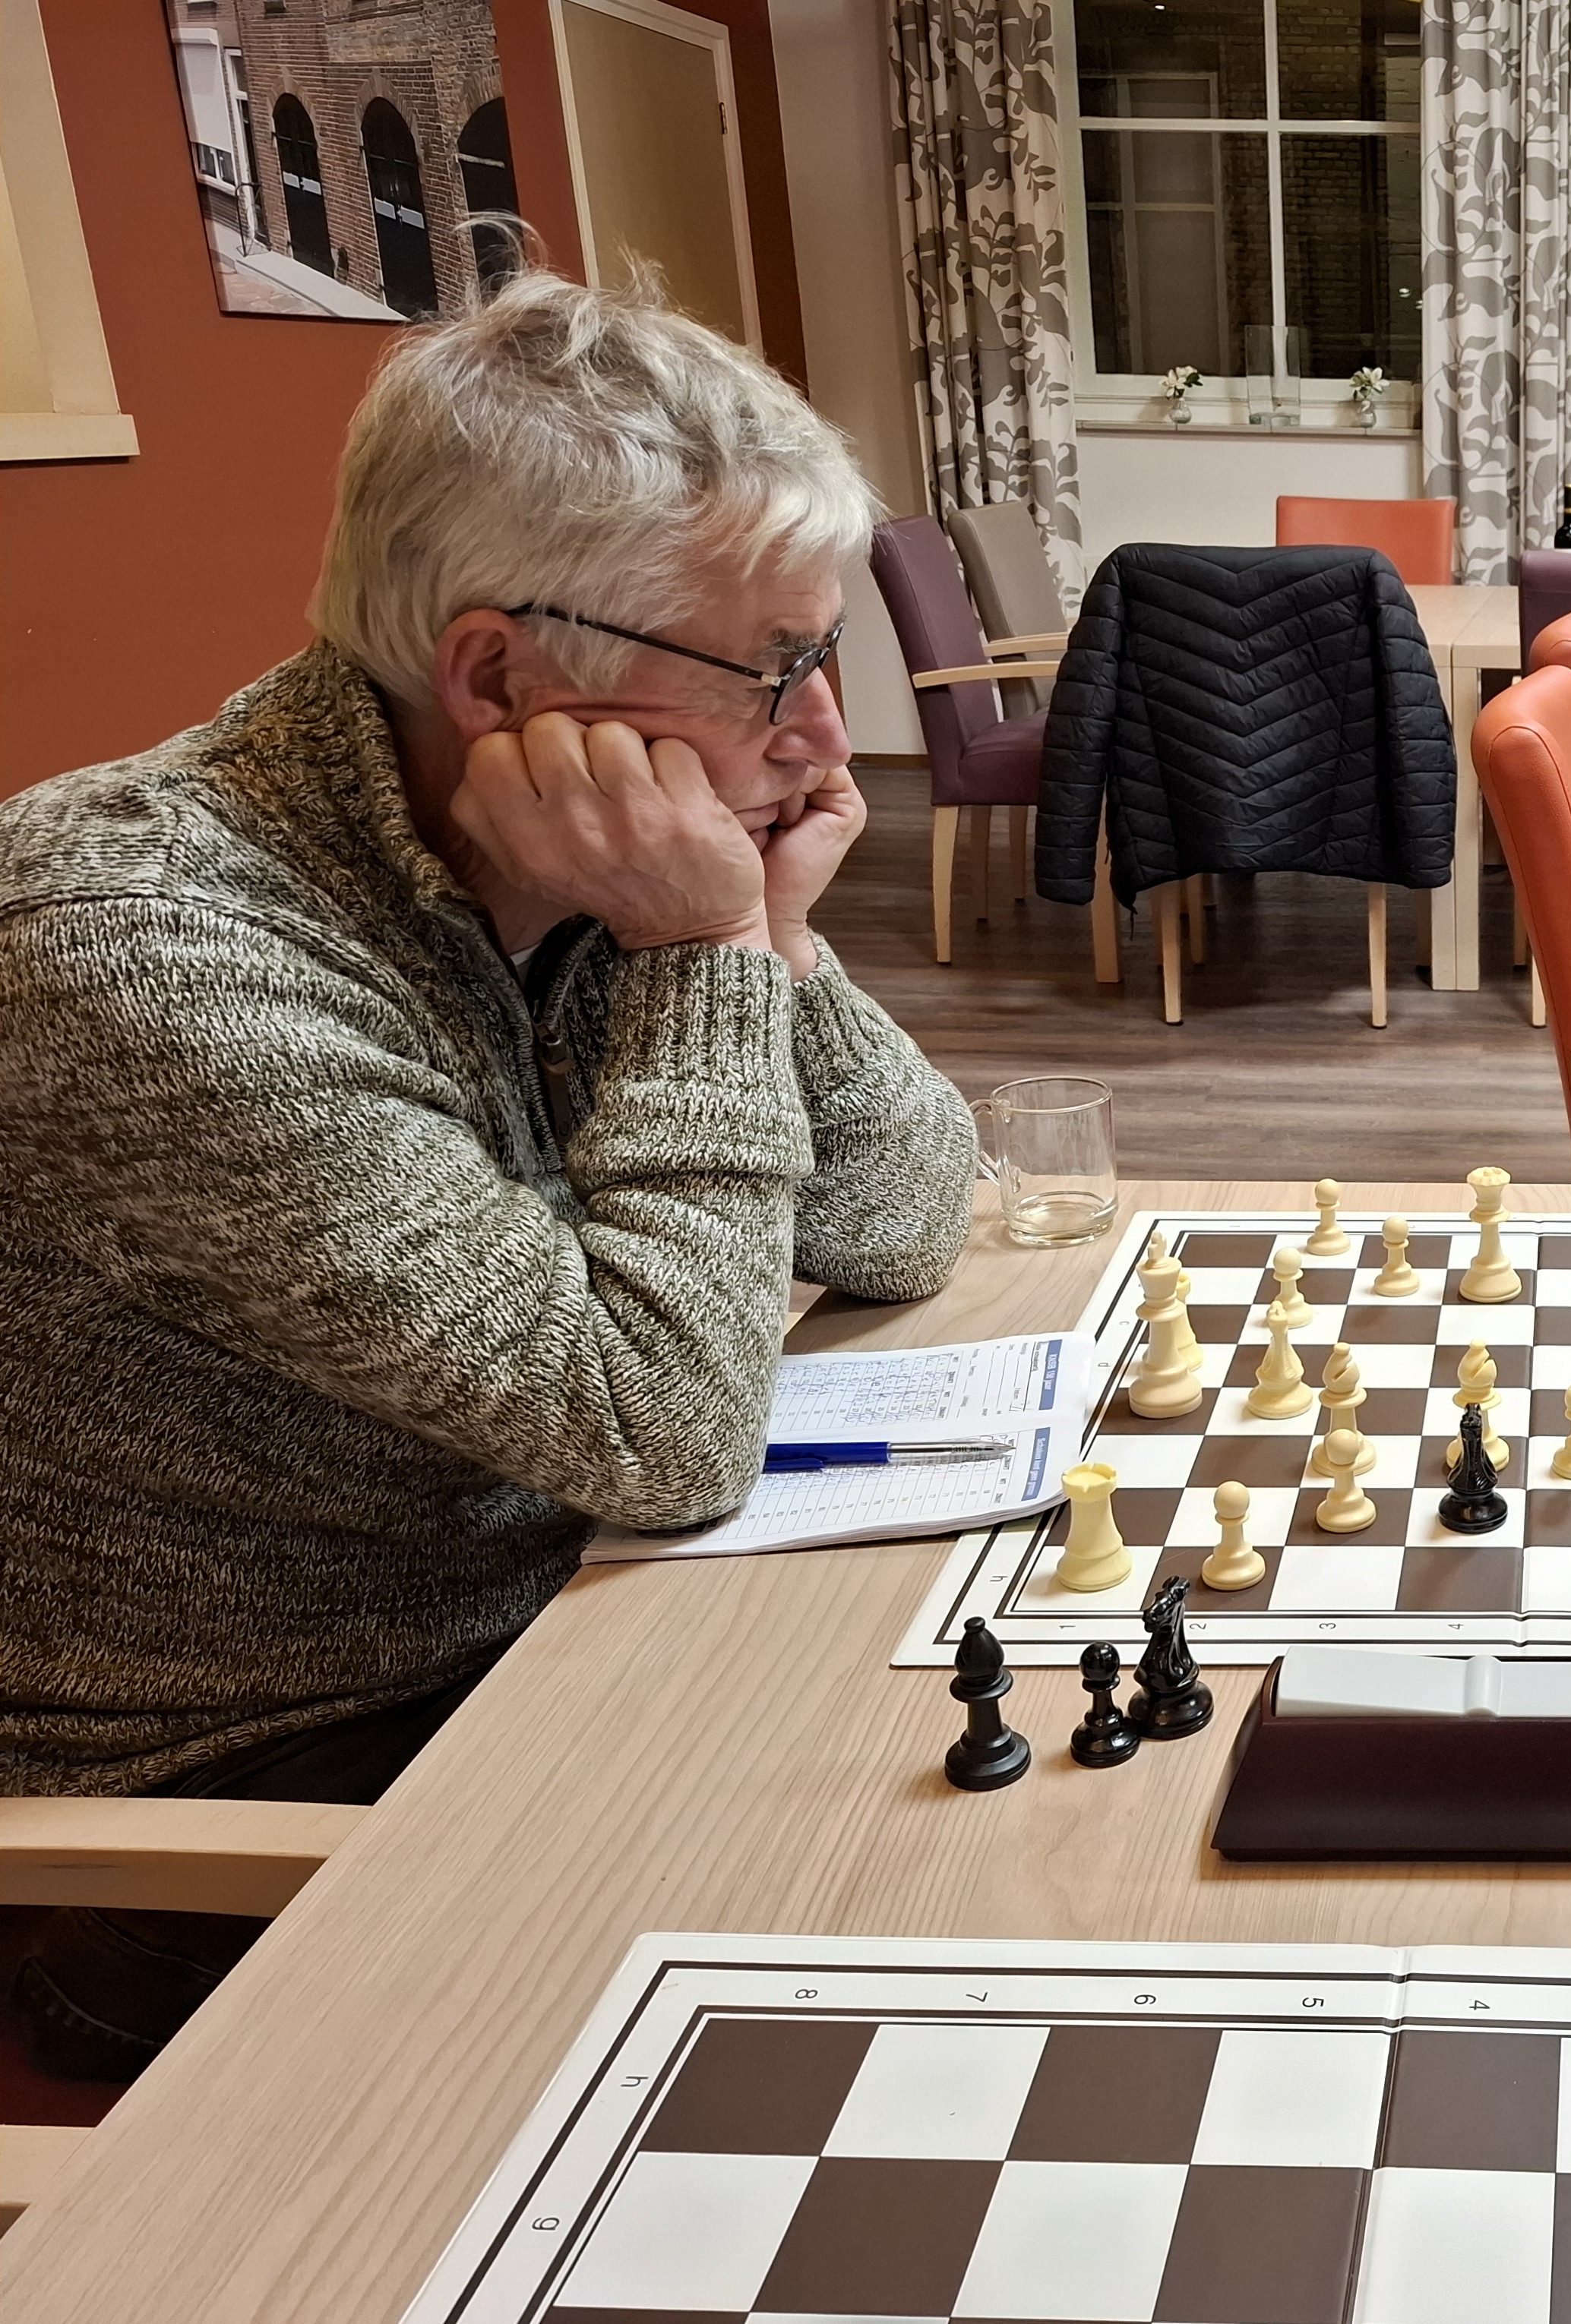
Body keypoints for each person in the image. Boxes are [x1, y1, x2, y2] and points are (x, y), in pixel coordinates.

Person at [0, 273, 975, 2074]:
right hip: (228, 1811)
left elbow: (911, 1215)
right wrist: (702, 959)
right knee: (928, 1923)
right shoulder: (139, 947)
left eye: (823, 656)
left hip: (556, 1615)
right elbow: (660, 1435)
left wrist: (767, 943)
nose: (827, 739)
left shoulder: (569, 847)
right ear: (502, 674)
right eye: (769, 671)